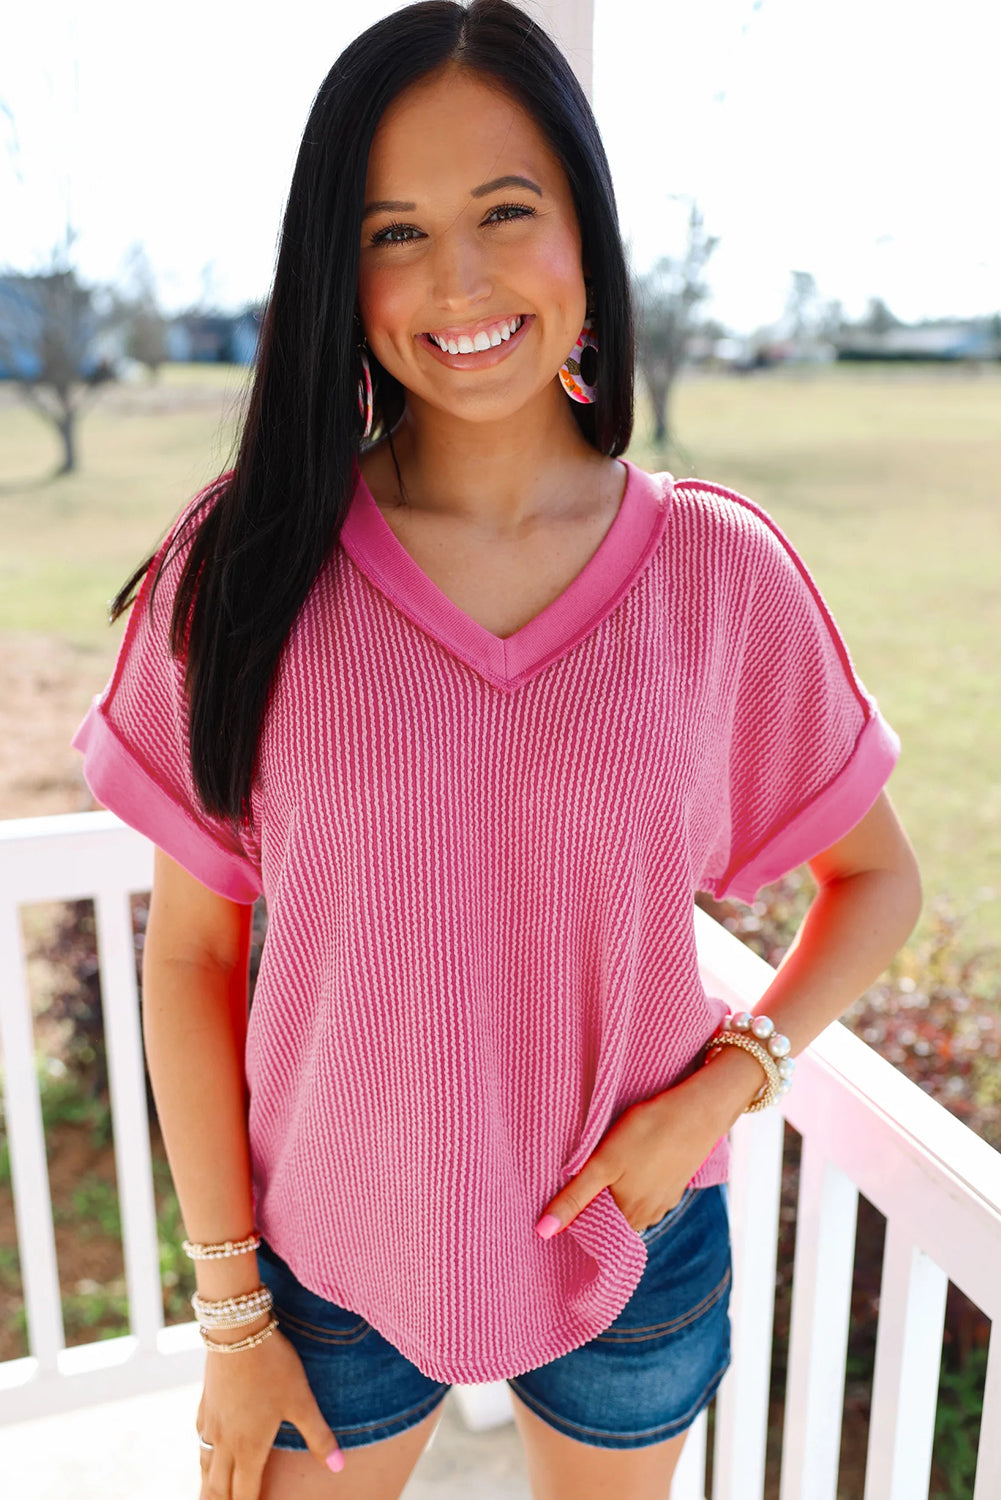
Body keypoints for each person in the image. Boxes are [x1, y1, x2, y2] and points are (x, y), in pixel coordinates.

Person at [71, 3, 923, 1497]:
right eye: (392, 230)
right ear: (338, 269)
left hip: (632, 1239)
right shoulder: (248, 563)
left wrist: (722, 1087)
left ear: (585, 238)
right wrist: (227, 1304)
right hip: (320, 1257)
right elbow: (193, 957)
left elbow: (876, 882)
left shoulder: (718, 572)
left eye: (502, 213)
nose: (453, 279)